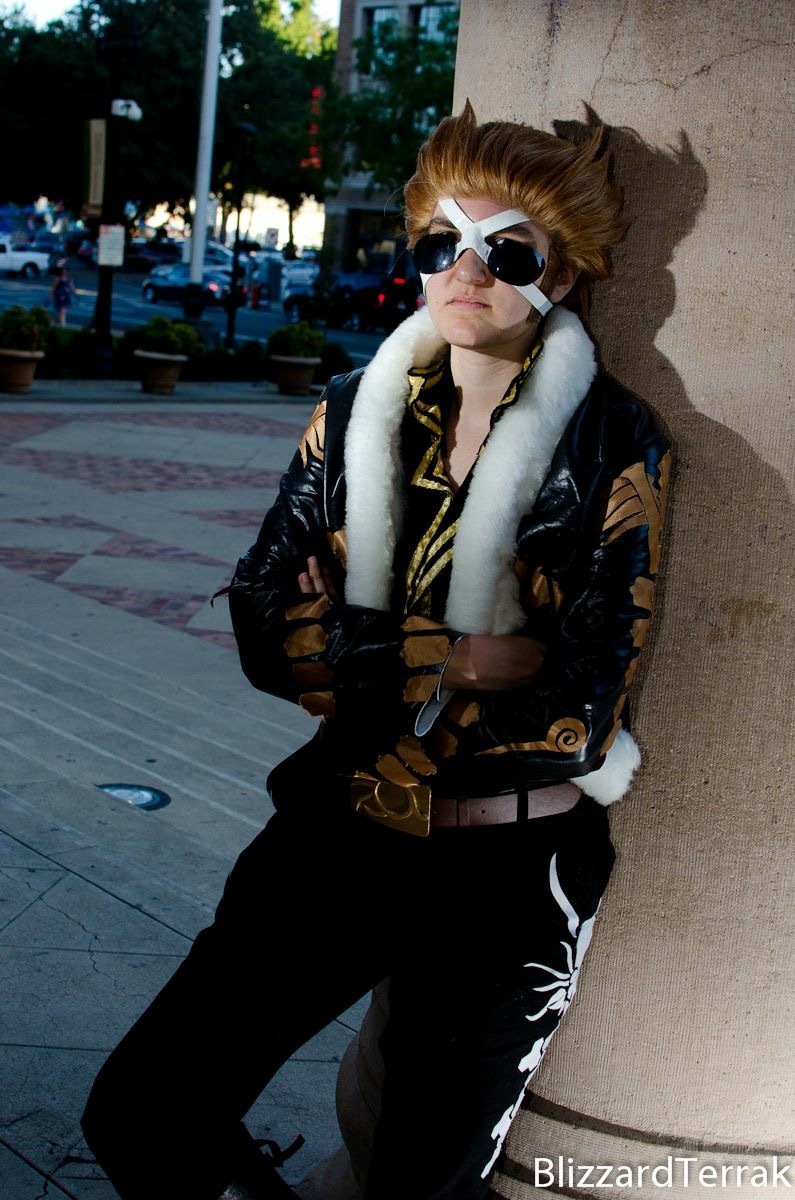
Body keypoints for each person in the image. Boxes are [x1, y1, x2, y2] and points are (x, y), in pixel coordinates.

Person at [82, 102, 670, 1200]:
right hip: (338, 826)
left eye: (506, 252)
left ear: (562, 273)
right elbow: (262, 616)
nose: (466, 272)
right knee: (142, 1112)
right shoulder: (352, 411)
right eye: (442, 244)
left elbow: (578, 713)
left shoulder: (614, 441)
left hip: (508, 870)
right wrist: (444, 657)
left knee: (422, 1186)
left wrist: (350, 646)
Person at [51, 263, 76, 327]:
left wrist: (75, 294)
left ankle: (53, 325)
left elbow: (72, 287)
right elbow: (54, 288)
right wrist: (51, 296)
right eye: (63, 271)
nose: (65, 272)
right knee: (62, 312)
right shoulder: (58, 278)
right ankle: (63, 326)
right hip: (60, 298)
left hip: (67, 298)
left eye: (66, 271)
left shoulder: (69, 279)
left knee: (61, 313)